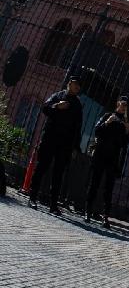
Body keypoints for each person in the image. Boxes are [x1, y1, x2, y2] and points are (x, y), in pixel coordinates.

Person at [27, 75, 84, 214]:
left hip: (65, 143)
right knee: (41, 167)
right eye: (75, 84)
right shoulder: (57, 96)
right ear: (69, 84)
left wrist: (76, 147)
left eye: (78, 86)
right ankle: (32, 197)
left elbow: (78, 127)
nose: (76, 87)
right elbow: (45, 108)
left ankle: (53, 205)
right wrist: (57, 106)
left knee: (58, 174)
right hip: (50, 138)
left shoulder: (77, 104)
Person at [84, 96, 129, 228]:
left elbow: (124, 145)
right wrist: (108, 122)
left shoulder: (126, 122)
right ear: (117, 103)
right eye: (122, 104)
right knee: (94, 183)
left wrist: (127, 132)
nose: (124, 107)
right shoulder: (107, 115)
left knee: (108, 188)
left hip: (113, 157)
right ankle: (88, 211)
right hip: (100, 154)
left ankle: (105, 216)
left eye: (126, 105)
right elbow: (97, 131)